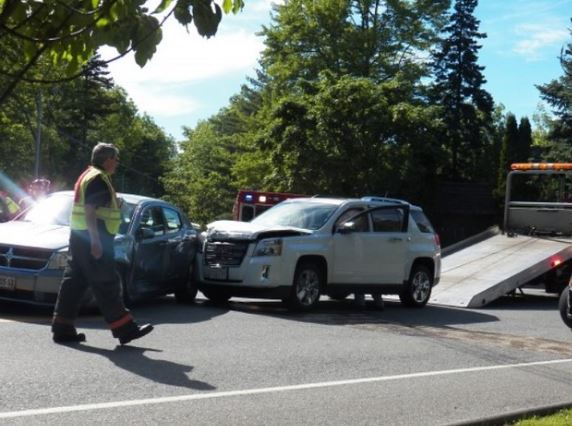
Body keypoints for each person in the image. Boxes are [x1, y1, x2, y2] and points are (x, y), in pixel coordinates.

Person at [51, 142, 153, 344]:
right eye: (116, 159)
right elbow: (90, 210)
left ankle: (62, 328)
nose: (117, 163)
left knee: (74, 283)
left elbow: (93, 208)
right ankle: (125, 329)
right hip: (93, 237)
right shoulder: (98, 178)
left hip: (80, 236)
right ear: (107, 160)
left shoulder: (89, 175)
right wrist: (96, 242)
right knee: (107, 282)